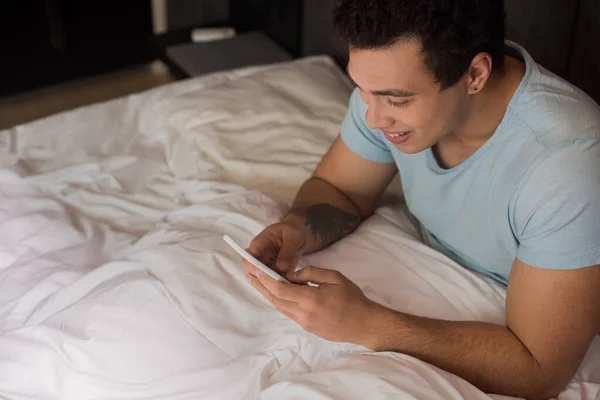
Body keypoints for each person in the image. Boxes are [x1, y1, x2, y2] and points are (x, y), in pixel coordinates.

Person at [242, 0, 600, 398]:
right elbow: (342, 189)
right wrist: (297, 229)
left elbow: (539, 369)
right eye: (362, 89)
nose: (375, 119)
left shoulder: (567, 163)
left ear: (475, 75)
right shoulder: (383, 94)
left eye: (397, 100)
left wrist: (367, 324)